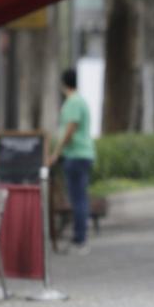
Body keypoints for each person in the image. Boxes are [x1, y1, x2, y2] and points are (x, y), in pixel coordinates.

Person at [49, 69, 96, 256]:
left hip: (76, 155)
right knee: (80, 198)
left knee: (78, 199)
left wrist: (56, 153)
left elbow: (70, 129)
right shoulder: (81, 100)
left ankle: (80, 240)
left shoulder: (72, 103)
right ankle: (80, 237)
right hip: (83, 154)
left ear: (63, 84)